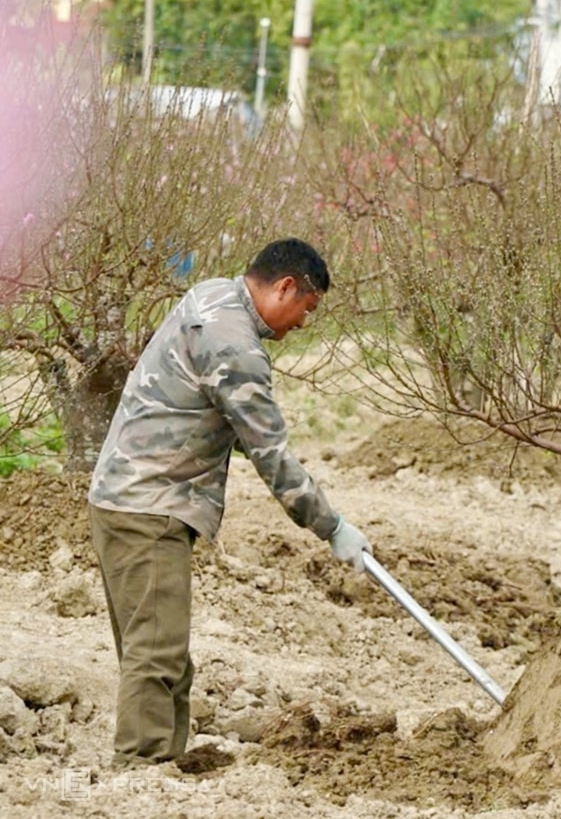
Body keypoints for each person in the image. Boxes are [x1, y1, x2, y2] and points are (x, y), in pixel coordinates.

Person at [88, 238, 373, 768]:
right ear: (285, 287)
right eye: (307, 308)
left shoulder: (211, 294)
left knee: (161, 649)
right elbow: (269, 454)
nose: (303, 322)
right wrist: (331, 527)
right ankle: (142, 771)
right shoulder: (235, 347)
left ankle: (163, 763)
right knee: (156, 653)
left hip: (125, 495)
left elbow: (227, 416)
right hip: (149, 505)